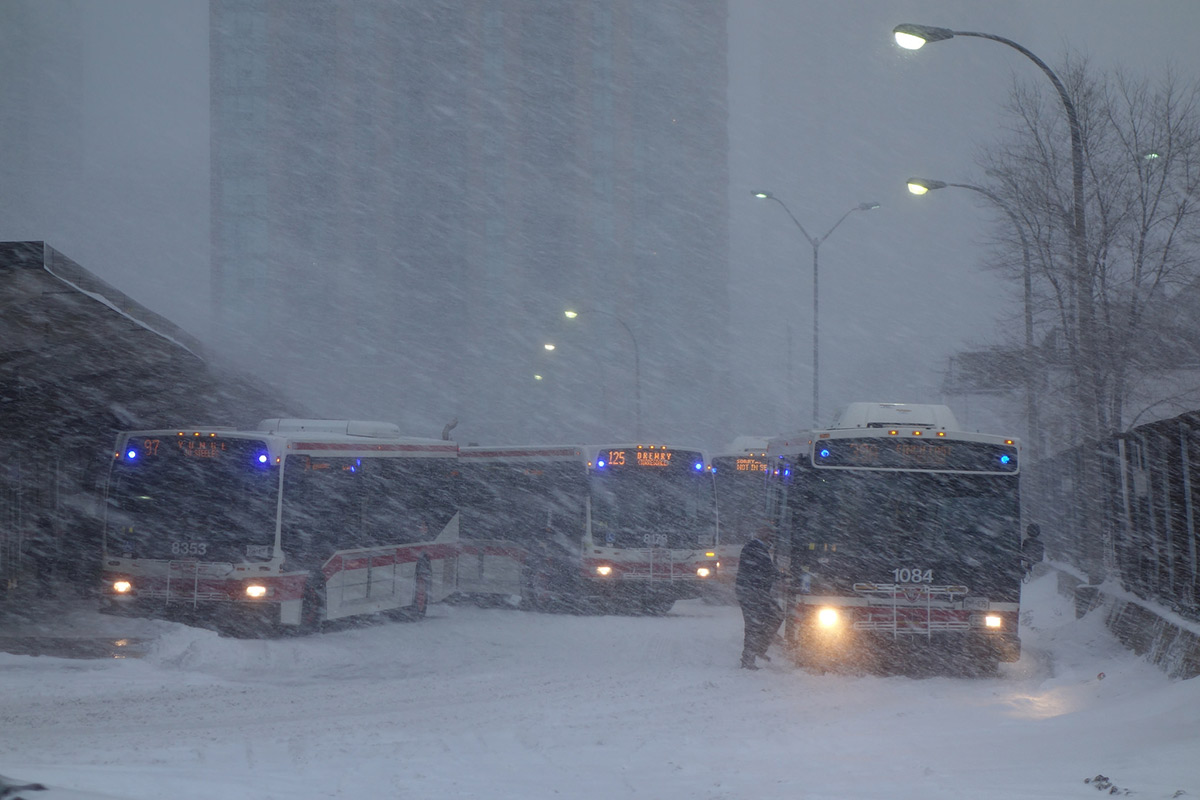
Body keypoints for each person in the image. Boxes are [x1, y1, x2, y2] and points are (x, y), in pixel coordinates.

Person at [735, 524, 785, 670]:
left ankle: (758, 650)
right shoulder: (755, 548)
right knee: (754, 625)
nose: (772, 542)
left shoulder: (755, 548)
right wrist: (781, 575)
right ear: (766, 537)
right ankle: (748, 660)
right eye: (771, 538)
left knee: (773, 616)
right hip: (752, 593)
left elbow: (764, 570)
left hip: (754, 592)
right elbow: (765, 569)